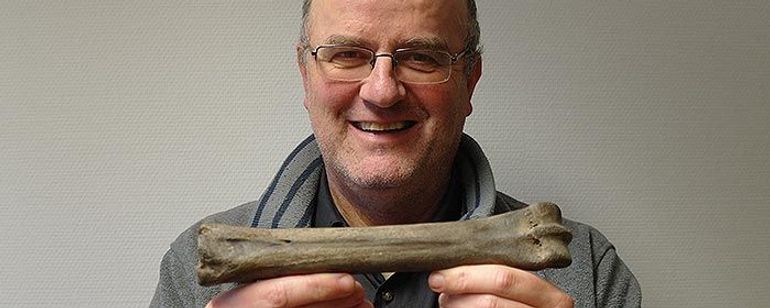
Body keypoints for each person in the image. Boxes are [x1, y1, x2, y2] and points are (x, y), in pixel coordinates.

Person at [151, 0, 641, 307]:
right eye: (346, 54)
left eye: (422, 58)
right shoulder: (199, 269)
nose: (382, 92)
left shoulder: (585, 271)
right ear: (305, 74)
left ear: (469, 81)